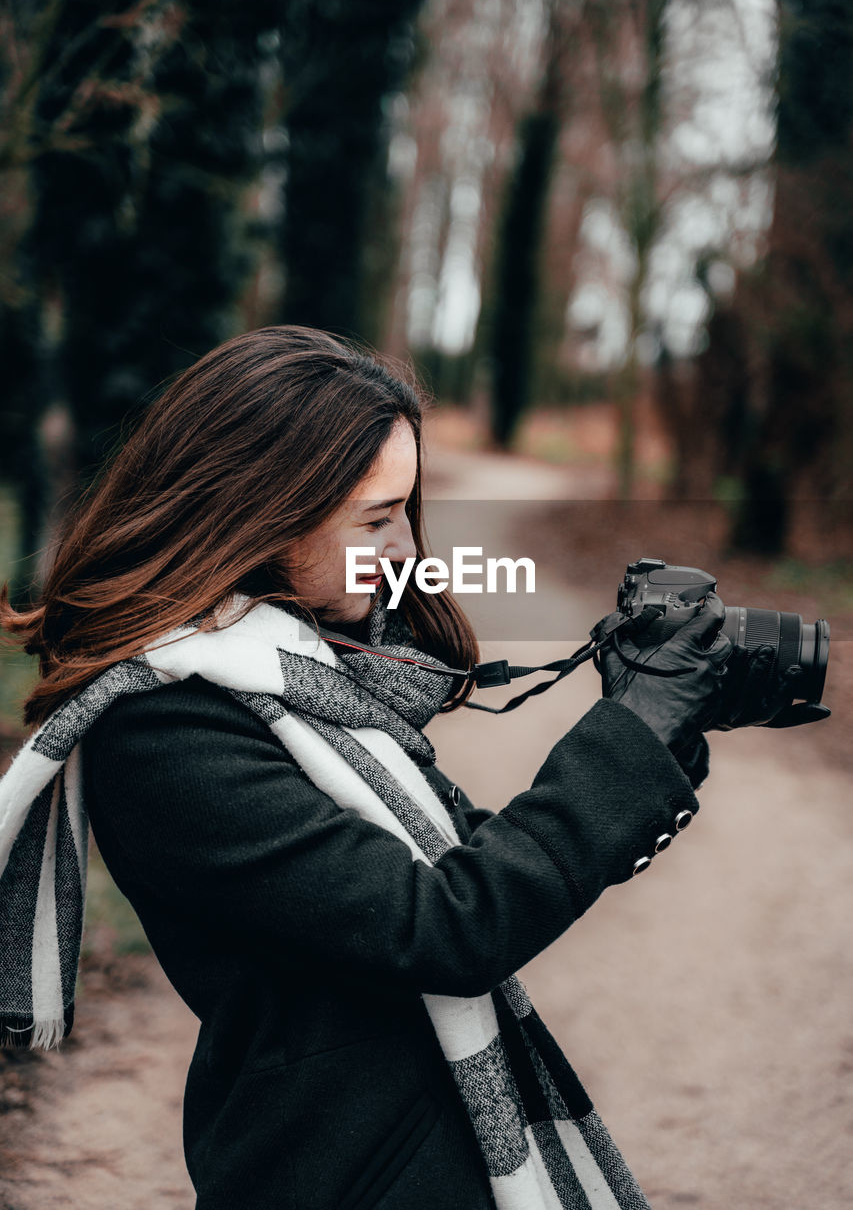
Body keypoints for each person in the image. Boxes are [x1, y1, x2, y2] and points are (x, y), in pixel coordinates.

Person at [0, 326, 735, 1210]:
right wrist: (630, 731)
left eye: (403, 514)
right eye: (375, 520)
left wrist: (653, 731)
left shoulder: (303, 685)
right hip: (338, 1169)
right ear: (260, 513)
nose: (401, 552)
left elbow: (475, 858)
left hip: (407, 1145)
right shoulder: (164, 724)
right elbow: (449, 926)